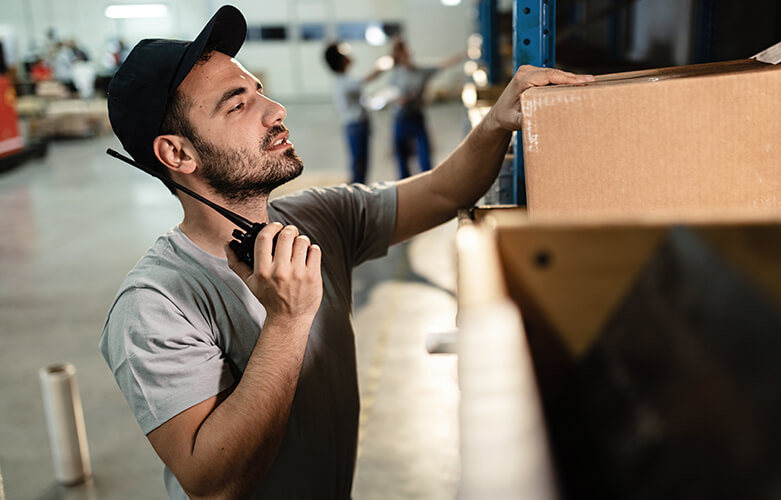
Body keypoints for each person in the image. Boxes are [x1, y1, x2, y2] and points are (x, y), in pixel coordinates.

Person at [99, 5, 592, 499]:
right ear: (177, 153)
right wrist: (287, 321)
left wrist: (496, 123)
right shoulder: (154, 305)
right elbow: (216, 485)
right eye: (238, 105)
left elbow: (444, 191)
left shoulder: (318, 218)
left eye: (260, 91)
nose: (276, 111)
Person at [389, 37, 465, 178]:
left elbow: (443, 64)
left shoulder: (421, 72)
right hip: (400, 119)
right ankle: (404, 184)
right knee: (402, 157)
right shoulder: (395, 74)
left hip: (416, 117)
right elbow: (392, 94)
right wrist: (399, 100)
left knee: (424, 155)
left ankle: (427, 180)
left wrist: (465, 53)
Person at [323, 42, 384, 184]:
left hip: (356, 126)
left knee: (359, 164)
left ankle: (357, 190)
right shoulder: (344, 82)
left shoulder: (344, 80)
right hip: (356, 127)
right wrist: (386, 62)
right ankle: (356, 193)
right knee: (359, 166)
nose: (350, 55)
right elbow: (370, 77)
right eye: (345, 53)